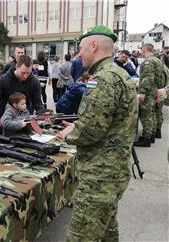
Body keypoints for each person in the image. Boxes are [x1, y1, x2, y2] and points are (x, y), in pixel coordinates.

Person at [56, 25, 137, 242]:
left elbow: (91, 130)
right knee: (108, 232)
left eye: (81, 48)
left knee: (80, 237)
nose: (78, 53)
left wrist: (69, 134)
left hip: (99, 177)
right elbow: (110, 122)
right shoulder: (121, 74)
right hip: (114, 172)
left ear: (93, 46)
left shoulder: (103, 79)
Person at [0, 55, 45, 130]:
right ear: (16, 67)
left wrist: (43, 115)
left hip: (26, 119)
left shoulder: (34, 81)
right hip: (7, 119)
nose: (25, 76)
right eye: (23, 72)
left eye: (28, 73)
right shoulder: (4, 80)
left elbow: (37, 102)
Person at [134, 43, 163, 147]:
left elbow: (148, 78)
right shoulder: (158, 60)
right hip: (154, 90)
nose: (141, 52)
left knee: (146, 115)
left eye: (141, 50)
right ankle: (151, 136)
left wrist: (142, 92)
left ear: (145, 50)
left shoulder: (148, 61)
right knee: (152, 114)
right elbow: (159, 78)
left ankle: (146, 139)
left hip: (148, 92)